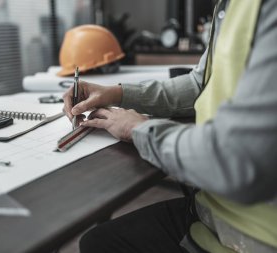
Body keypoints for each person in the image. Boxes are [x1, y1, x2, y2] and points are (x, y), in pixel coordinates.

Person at [62, 0, 277, 252]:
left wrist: (139, 129)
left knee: (100, 244)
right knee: (97, 240)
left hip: (251, 234)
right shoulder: (230, 5)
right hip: (215, 204)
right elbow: (200, 83)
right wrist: (116, 93)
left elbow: (239, 160)